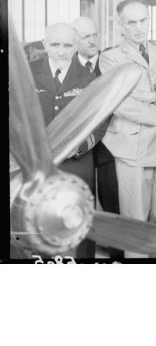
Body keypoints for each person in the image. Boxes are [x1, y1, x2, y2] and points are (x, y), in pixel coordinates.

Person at [99, 0, 156, 258]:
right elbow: (117, 101)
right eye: (132, 22)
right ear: (121, 25)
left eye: (143, 20)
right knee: (135, 219)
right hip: (132, 147)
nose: (139, 27)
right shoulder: (110, 58)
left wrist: (155, 94)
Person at [30, 22, 101, 258]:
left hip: (76, 166)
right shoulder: (27, 73)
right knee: (38, 224)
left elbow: (101, 118)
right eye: (55, 45)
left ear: (76, 46)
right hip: (37, 166)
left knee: (78, 225)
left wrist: (79, 146)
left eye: (67, 46)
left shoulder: (90, 78)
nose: (61, 51)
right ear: (44, 44)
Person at [72, 16, 122, 260]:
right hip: (77, 153)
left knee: (113, 208)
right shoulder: (66, 67)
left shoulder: (112, 63)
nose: (92, 41)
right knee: (82, 209)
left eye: (95, 35)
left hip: (111, 149)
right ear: (75, 40)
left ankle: (117, 258)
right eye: (85, 37)